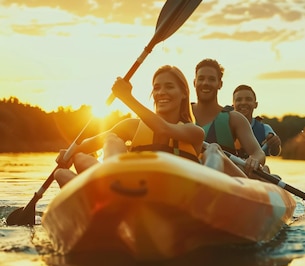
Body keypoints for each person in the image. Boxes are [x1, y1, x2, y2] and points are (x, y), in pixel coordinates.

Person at [54, 65, 205, 187]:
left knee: (96, 149)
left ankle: (108, 193)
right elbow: (89, 144)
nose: (161, 92)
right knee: (65, 169)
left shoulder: (194, 132)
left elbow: (163, 129)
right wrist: (68, 153)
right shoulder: (131, 126)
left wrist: (127, 98)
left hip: (174, 197)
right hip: (131, 190)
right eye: (157, 87)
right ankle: (110, 193)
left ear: (184, 93)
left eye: (169, 87)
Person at [191, 58, 266, 177]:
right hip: (186, 176)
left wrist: (254, 160)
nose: (205, 83)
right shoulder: (181, 113)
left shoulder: (234, 118)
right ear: (194, 82)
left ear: (220, 84)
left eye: (211, 79)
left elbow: (258, 153)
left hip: (225, 182)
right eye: (201, 78)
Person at [231, 84, 281, 157]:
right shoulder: (224, 127)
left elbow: (275, 152)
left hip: (255, 167)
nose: (243, 102)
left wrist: (275, 144)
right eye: (239, 100)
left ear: (255, 104)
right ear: (233, 105)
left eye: (248, 99)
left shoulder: (265, 129)